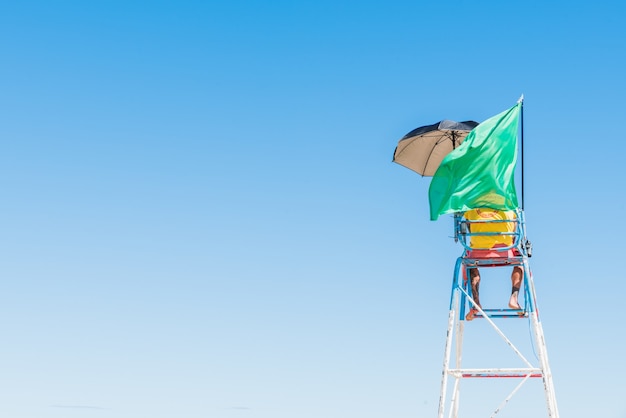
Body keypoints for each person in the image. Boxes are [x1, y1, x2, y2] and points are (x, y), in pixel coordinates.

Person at [463, 208, 522, 321]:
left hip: (478, 252)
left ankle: (476, 302)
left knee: (470, 265)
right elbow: (514, 233)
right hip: (504, 251)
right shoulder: (510, 209)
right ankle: (514, 298)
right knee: (520, 262)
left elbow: (469, 229)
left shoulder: (471, 209)